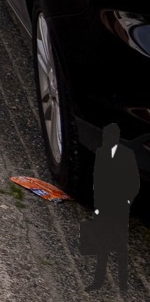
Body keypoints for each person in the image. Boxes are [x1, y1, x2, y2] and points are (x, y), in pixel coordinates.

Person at [84, 122, 139, 291]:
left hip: (120, 205)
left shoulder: (127, 155)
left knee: (120, 244)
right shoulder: (101, 153)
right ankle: (98, 280)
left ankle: (122, 282)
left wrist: (127, 200)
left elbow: (134, 181)